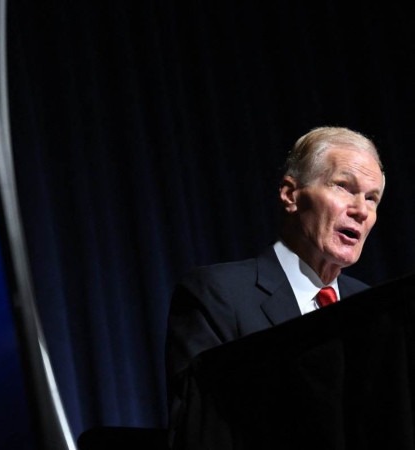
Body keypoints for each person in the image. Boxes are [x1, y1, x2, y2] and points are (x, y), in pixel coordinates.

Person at [165, 126, 386, 447]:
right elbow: (202, 433)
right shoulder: (218, 294)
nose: (361, 210)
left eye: (371, 198)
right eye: (343, 187)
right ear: (290, 195)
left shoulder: (376, 311)